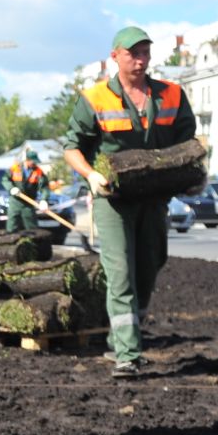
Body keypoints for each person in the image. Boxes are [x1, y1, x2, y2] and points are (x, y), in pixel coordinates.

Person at [61, 26, 198, 378]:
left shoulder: (171, 94)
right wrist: (91, 175)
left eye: (145, 53)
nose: (140, 60)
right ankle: (127, 354)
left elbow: (188, 144)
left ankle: (124, 336)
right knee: (120, 271)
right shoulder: (95, 98)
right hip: (113, 198)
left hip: (154, 197)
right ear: (115, 57)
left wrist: (193, 176)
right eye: (132, 53)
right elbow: (72, 147)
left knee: (150, 265)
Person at [5, 149, 48, 233]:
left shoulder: (38, 172)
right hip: (15, 201)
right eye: (33, 161)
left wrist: (44, 200)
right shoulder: (15, 168)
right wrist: (11, 188)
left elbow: (44, 187)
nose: (35, 164)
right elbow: (5, 179)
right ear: (27, 160)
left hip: (29, 202)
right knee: (12, 224)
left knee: (31, 225)